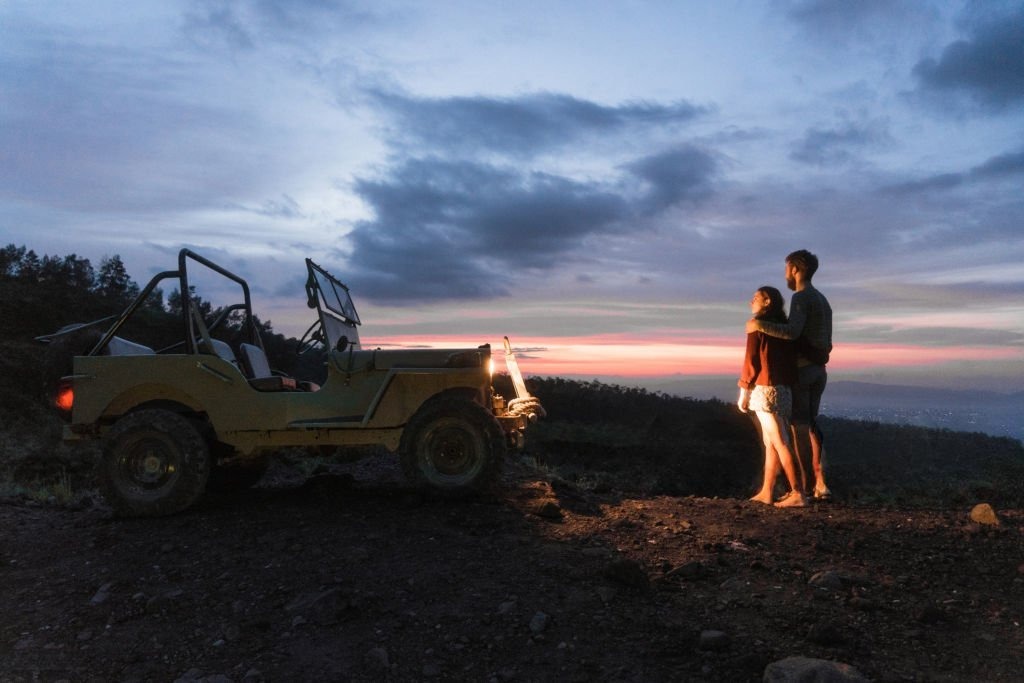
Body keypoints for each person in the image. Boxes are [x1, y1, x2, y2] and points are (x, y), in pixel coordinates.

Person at [746, 250, 833, 500]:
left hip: (803, 371)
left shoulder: (801, 297)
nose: (785, 274)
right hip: (819, 371)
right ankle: (821, 484)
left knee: (800, 429)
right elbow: (825, 341)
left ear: (796, 269)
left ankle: (801, 492)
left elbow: (792, 332)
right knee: (812, 427)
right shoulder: (823, 300)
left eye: (786, 268)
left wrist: (758, 325)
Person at [737, 286, 806, 507]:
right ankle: (766, 491)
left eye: (755, 298)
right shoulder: (784, 329)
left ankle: (798, 493)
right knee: (771, 442)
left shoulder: (757, 327)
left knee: (779, 441)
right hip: (784, 390)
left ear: (768, 302)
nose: (751, 302)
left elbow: (752, 361)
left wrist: (743, 391)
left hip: (765, 389)